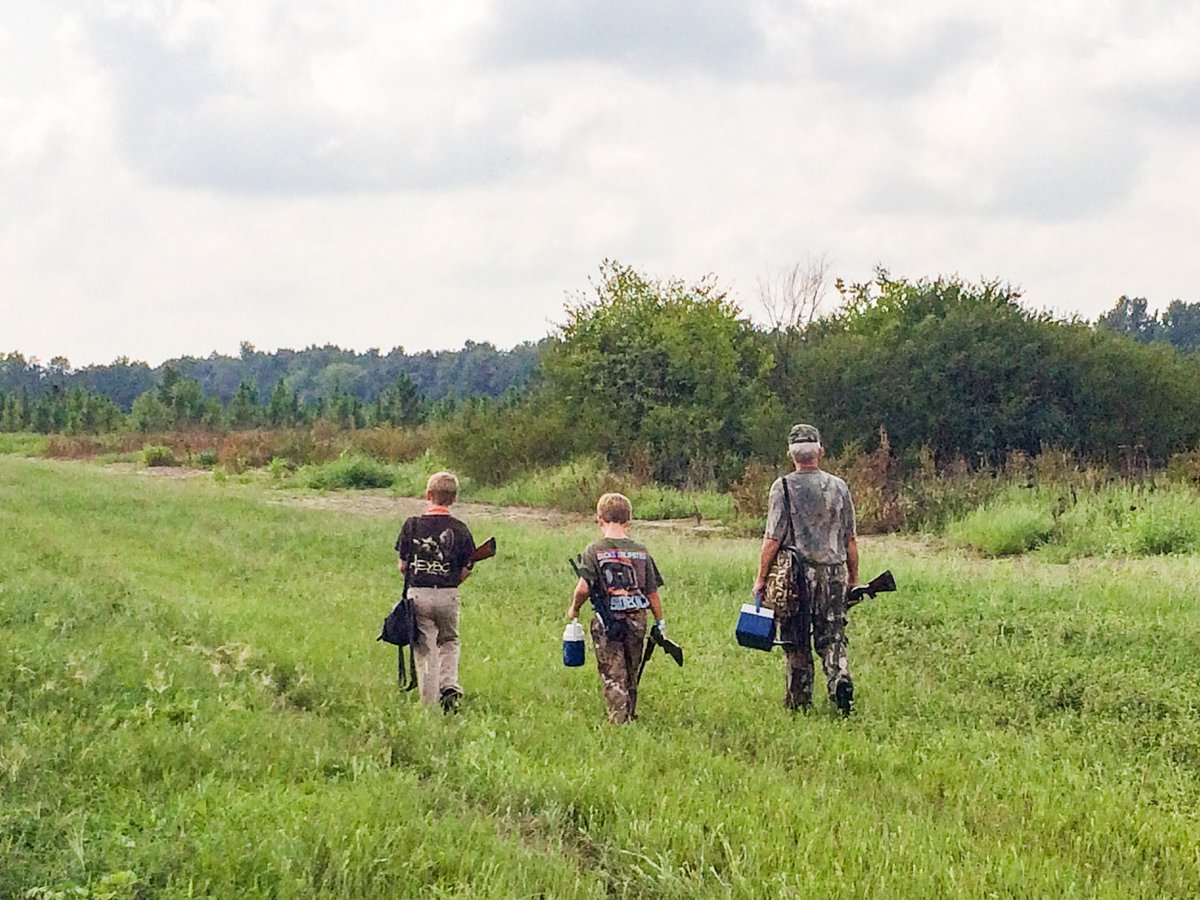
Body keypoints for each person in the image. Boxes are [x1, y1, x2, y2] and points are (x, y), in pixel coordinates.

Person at [752, 424, 859, 715]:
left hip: (796, 577)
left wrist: (761, 579)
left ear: (791, 455)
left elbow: (773, 539)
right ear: (820, 452)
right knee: (833, 634)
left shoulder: (783, 487)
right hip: (835, 573)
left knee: (795, 638)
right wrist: (854, 579)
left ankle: (799, 702)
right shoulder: (840, 487)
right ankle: (839, 679)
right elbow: (850, 539)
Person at [566, 492, 666, 724]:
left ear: (599, 519)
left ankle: (618, 721)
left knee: (612, 673)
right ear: (628, 520)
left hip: (607, 619)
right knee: (632, 669)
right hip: (637, 618)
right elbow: (652, 593)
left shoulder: (594, 550)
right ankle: (630, 713)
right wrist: (661, 623)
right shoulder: (641, 551)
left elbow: (583, 589)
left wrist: (574, 609)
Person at [395, 471, 476, 713]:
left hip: (418, 593)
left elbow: (403, 566)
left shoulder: (412, 525)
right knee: (449, 640)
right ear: (454, 499)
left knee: (425, 648)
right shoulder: (460, 529)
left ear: (428, 494)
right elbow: (467, 568)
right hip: (448, 593)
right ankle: (448, 684)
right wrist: (451, 581)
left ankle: (428, 704)